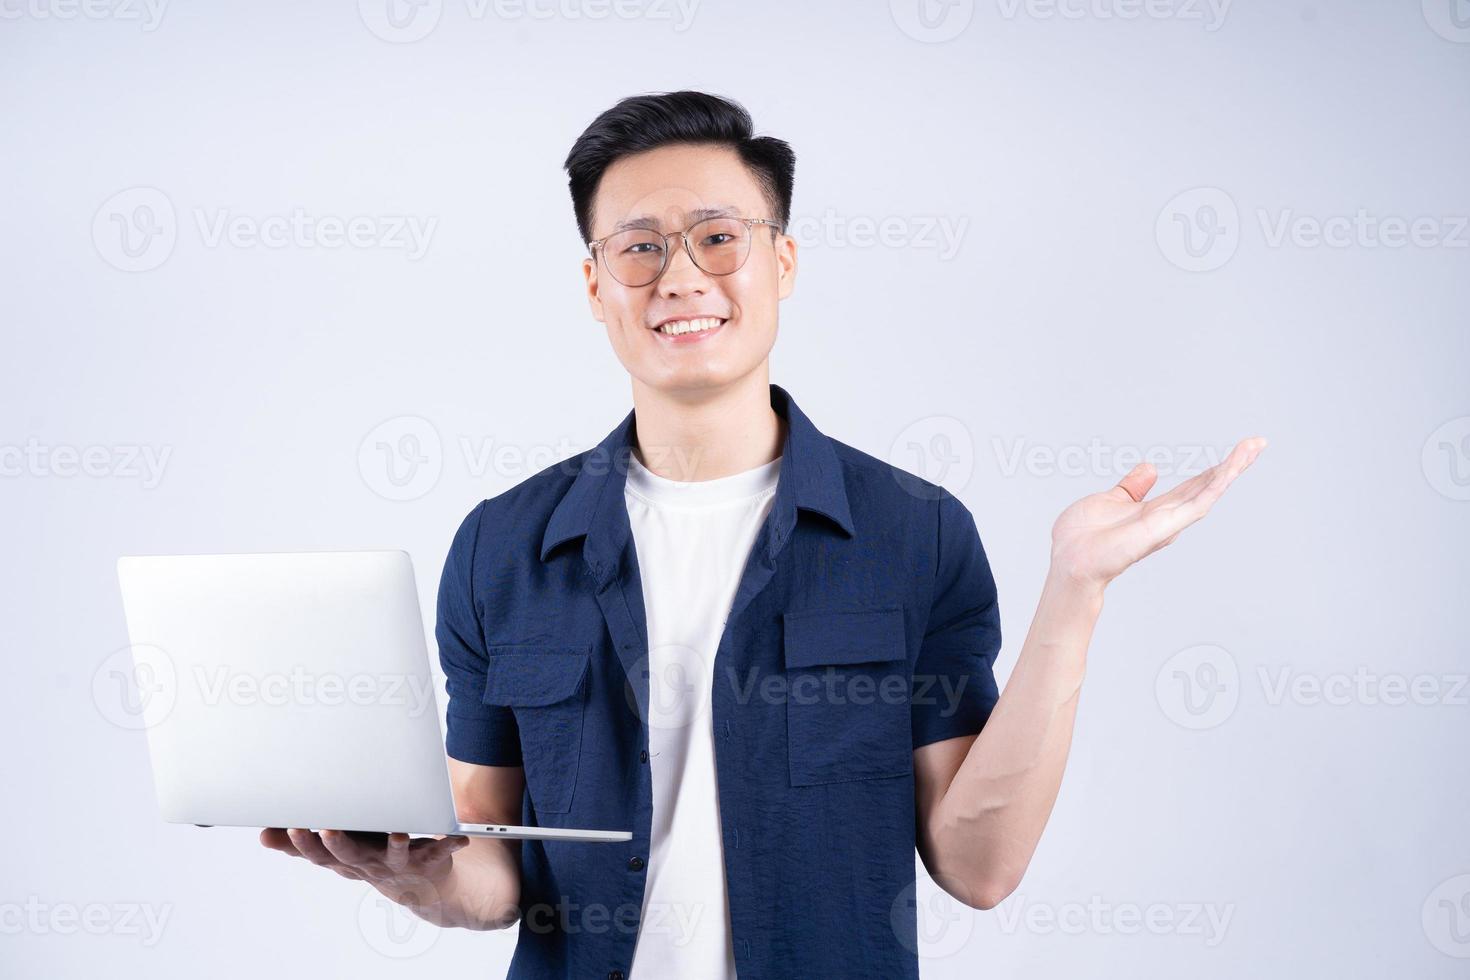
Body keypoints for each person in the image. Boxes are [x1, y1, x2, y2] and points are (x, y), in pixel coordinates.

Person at [262, 90, 1266, 979]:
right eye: (639, 245)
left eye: (717, 236)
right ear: (595, 286)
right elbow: (491, 872)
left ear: (781, 261)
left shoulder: (913, 535)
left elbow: (978, 862)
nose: (681, 275)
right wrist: (410, 870)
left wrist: (1076, 590)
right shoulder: (503, 546)